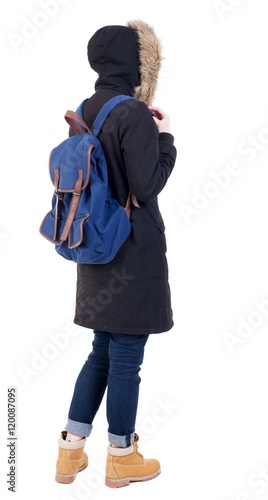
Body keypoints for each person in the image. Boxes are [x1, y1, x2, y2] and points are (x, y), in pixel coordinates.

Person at [55, 19, 177, 488]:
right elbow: (146, 186)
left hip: (91, 247)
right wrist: (165, 138)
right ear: (139, 64)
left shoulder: (83, 109)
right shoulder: (132, 113)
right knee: (127, 358)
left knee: (101, 353)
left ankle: (70, 452)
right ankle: (122, 456)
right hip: (131, 252)